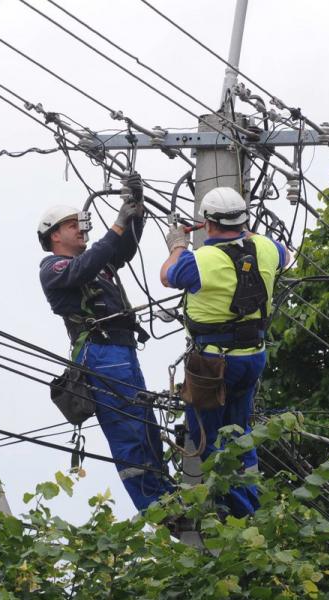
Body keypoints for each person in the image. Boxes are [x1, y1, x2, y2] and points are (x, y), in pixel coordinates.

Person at [38, 175, 173, 512]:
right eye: (72, 226)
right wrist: (117, 224)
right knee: (127, 429)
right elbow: (87, 265)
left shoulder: (98, 263)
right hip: (99, 353)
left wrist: (135, 212)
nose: (80, 230)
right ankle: (155, 505)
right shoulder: (54, 267)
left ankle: (168, 493)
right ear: (55, 235)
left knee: (145, 424)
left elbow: (121, 247)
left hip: (122, 352)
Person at [159, 187, 288, 517]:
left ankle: (242, 514)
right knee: (240, 430)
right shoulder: (269, 249)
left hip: (213, 364)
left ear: (206, 222)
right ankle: (253, 499)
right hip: (253, 357)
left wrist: (177, 245)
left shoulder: (197, 262)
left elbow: (167, 275)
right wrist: (247, 234)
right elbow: (286, 254)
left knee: (209, 440)